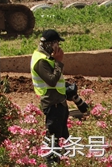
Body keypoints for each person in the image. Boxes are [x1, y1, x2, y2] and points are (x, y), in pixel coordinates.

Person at [31, 29, 69, 164]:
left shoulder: (47, 57)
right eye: (56, 43)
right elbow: (52, 80)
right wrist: (58, 62)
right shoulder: (41, 61)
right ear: (49, 44)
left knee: (63, 139)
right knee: (54, 141)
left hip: (59, 103)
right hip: (53, 105)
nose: (58, 46)